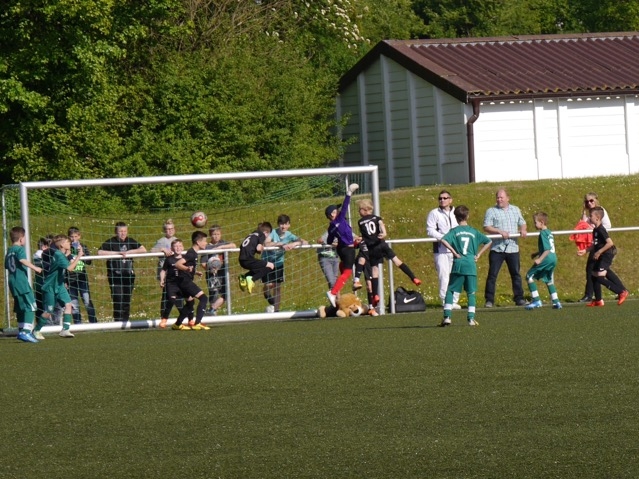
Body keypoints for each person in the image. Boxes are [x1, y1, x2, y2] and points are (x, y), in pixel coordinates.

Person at [356, 198, 421, 307]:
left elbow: (365, 235)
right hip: (381, 244)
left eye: (360, 210)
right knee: (397, 261)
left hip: (372, 248)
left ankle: (375, 295)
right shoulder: (376, 218)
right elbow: (381, 225)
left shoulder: (360, 222)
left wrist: (361, 238)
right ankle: (413, 278)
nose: (359, 212)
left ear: (364, 210)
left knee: (374, 271)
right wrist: (384, 233)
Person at [440, 206, 492, 326]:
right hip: (470, 265)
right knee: (471, 292)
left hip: (458, 264)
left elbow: (443, 240)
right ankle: (471, 318)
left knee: (450, 290)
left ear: (455, 217)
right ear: (467, 216)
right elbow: (489, 241)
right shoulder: (473, 231)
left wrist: (454, 252)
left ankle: (447, 317)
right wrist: (478, 254)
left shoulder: (454, 231)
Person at [483, 189, 528, 307]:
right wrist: (499, 231)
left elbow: (522, 222)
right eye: (497, 197)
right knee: (492, 275)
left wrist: (523, 229)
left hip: (513, 248)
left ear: (508, 198)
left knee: (516, 274)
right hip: (497, 248)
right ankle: (489, 300)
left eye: (501, 197)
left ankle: (519, 298)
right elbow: (486, 226)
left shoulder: (515, 209)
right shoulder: (491, 211)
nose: (499, 200)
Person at [98, 222, 147, 322]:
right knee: (118, 298)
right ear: (116, 232)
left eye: (125, 231)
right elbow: (99, 252)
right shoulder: (111, 242)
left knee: (126, 299)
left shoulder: (130, 241)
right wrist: (117, 253)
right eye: (120, 231)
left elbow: (143, 249)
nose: (123, 233)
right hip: (115, 275)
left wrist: (129, 252)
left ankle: (125, 321)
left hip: (128, 275)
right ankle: (117, 321)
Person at [161, 233, 210, 330]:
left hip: (184, 281)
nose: (206, 243)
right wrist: (187, 269)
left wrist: (195, 272)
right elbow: (178, 264)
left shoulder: (193, 253)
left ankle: (177, 324)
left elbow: (187, 266)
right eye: (204, 241)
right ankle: (197, 323)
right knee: (203, 298)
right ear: (198, 242)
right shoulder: (191, 253)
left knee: (190, 303)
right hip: (185, 282)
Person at [39, 234, 85, 338]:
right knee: (48, 311)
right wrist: (79, 256)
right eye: (68, 242)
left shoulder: (61, 254)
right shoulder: (59, 255)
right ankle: (36, 330)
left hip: (60, 285)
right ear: (62, 245)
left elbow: (69, 264)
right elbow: (70, 268)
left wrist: (71, 255)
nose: (70, 243)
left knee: (68, 305)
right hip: (50, 285)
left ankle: (65, 330)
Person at [262, 214, 308, 313]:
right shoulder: (273, 232)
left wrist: (295, 243)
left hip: (279, 263)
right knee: (269, 284)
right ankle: (266, 292)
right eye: (281, 224)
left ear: (289, 225)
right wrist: (279, 244)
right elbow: (266, 243)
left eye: (286, 224)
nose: (283, 226)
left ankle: (277, 311)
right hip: (267, 262)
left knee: (277, 287)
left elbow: (304, 242)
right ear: (278, 224)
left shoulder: (289, 235)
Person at [5, 226, 43, 343]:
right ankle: (26, 332)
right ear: (21, 239)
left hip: (12, 281)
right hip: (20, 281)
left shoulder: (9, 250)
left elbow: (7, 265)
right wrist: (35, 267)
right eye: (25, 237)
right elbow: (22, 260)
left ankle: (21, 330)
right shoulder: (19, 249)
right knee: (30, 306)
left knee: (20, 307)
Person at [325, 183, 359, 307]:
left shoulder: (331, 227)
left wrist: (354, 242)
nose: (339, 211)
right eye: (336, 210)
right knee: (347, 272)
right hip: (348, 250)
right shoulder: (339, 219)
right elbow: (345, 205)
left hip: (341, 249)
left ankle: (339, 288)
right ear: (332, 214)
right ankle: (333, 292)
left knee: (343, 267)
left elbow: (329, 240)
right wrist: (349, 192)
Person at [587, 207, 628, 307]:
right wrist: (585, 250)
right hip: (602, 254)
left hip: (606, 254)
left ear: (597, 218)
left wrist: (599, 252)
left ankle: (621, 291)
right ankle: (598, 300)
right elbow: (595, 244)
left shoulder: (601, 229)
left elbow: (610, 243)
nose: (589, 217)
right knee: (593, 275)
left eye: (591, 216)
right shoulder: (595, 230)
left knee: (600, 277)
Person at [426, 189, 461, 309]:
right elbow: (430, 230)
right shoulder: (434, 213)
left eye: (445, 198)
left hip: (456, 250)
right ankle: (445, 301)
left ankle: (454, 300)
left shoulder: (457, 212)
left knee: (456, 275)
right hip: (441, 250)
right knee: (444, 276)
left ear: (450, 200)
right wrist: (443, 238)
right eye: (440, 198)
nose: (442, 200)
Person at [524, 212, 562, 310]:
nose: (534, 224)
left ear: (541, 222)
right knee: (548, 279)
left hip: (546, 258)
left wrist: (540, 259)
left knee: (529, 276)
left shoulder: (543, 233)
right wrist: (536, 253)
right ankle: (556, 302)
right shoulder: (549, 232)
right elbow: (549, 247)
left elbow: (547, 249)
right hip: (553, 258)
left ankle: (536, 300)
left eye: (535, 222)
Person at [579, 193, 612, 303]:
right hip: (594, 243)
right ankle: (621, 290)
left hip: (600, 244)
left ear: (596, 200)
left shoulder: (599, 211)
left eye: (591, 200)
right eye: (586, 201)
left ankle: (589, 295)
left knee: (591, 268)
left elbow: (607, 226)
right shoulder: (589, 213)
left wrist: (594, 229)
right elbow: (582, 225)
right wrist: (583, 213)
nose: (589, 203)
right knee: (604, 270)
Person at [201, 224, 236, 315]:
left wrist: (220, 248)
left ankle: (212, 309)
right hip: (212, 275)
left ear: (221, 234)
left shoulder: (223, 243)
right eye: (214, 234)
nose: (216, 236)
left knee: (226, 293)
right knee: (214, 293)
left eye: (218, 234)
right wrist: (209, 269)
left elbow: (233, 245)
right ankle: (213, 312)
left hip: (223, 273)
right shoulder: (207, 247)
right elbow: (203, 263)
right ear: (210, 235)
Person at [67, 226, 98, 324]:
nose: (74, 239)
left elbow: (89, 262)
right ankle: (77, 324)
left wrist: (82, 253)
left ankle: (93, 323)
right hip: (70, 279)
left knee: (87, 301)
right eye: (72, 237)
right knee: (74, 304)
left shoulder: (83, 247)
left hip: (82, 278)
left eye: (76, 236)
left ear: (79, 236)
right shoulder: (67, 248)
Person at [151, 219, 180, 317]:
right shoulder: (161, 241)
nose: (170, 231)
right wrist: (162, 249)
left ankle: (183, 314)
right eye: (168, 229)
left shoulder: (176, 240)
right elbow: (152, 251)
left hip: (176, 271)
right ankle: (164, 315)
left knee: (178, 292)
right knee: (166, 294)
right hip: (166, 272)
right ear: (164, 230)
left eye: (171, 229)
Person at [238, 222, 275, 294]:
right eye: (268, 235)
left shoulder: (250, 235)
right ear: (266, 232)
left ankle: (244, 277)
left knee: (260, 268)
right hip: (248, 259)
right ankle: (252, 279)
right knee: (271, 266)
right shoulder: (261, 235)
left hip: (241, 260)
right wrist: (261, 248)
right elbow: (258, 248)